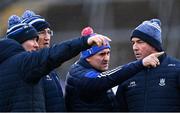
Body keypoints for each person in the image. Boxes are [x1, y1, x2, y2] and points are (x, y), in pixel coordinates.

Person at [0, 15, 110, 112]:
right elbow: (54, 54)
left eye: (48, 32)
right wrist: (84, 41)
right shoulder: (24, 63)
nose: (36, 45)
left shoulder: (7, 65)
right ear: (19, 41)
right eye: (33, 40)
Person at [65, 27, 164, 112]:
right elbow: (106, 78)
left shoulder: (94, 69)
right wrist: (141, 63)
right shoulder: (79, 74)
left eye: (108, 53)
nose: (106, 58)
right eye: (102, 54)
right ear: (87, 57)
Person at [116, 19, 180, 112]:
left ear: (154, 44)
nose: (135, 47)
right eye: (133, 43)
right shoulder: (127, 73)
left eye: (140, 42)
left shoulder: (177, 69)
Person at [22, 10, 65, 112]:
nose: (47, 37)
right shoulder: (30, 66)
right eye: (41, 32)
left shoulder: (49, 65)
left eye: (49, 32)